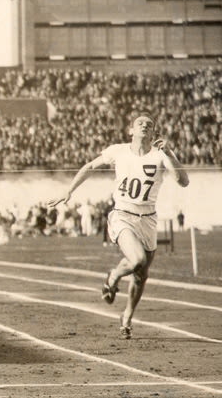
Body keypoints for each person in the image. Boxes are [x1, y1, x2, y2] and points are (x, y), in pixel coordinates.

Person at [47, 112, 189, 339]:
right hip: (123, 215)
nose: (144, 126)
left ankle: (127, 317)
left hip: (148, 219)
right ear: (131, 130)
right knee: (138, 260)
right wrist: (69, 190)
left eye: (149, 125)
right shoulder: (118, 151)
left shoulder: (160, 154)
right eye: (139, 123)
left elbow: (183, 181)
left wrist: (170, 153)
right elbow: (90, 166)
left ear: (153, 133)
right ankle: (112, 277)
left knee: (141, 274)